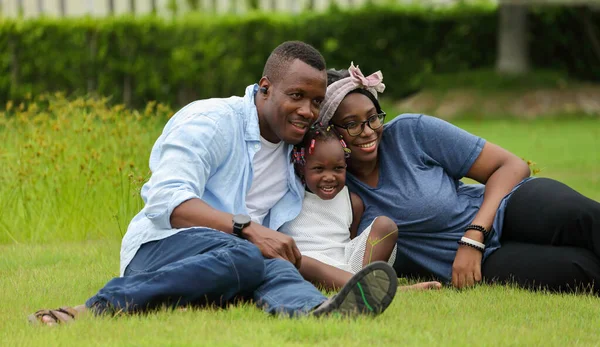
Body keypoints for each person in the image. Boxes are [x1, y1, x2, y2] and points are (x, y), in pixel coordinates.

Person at [27, 42, 402, 326]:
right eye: (297, 96)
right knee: (249, 252)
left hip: (238, 259)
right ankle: (92, 308)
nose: (307, 110)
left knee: (272, 264)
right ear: (266, 87)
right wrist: (249, 229)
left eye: (316, 101)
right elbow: (167, 201)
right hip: (160, 250)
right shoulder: (211, 121)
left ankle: (320, 312)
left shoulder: (298, 152)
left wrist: (358, 278)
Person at [317, 62, 600, 293]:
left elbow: (511, 166)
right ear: (329, 131)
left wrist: (474, 237)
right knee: (580, 270)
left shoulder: (410, 133)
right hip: (480, 263)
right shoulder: (333, 190)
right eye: (351, 125)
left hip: (505, 207)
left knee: (583, 217)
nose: (368, 131)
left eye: (373, 118)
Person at [279, 122, 400, 290]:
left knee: (386, 226)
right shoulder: (287, 196)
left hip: (347, 267)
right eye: (319, 169)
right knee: (299, 261)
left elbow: (350, 240)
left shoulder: (352, 202)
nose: (329, 177)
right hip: (305, 268)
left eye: (337, 168)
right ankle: (369, 289)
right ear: (301, 168)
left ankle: (361, 284)